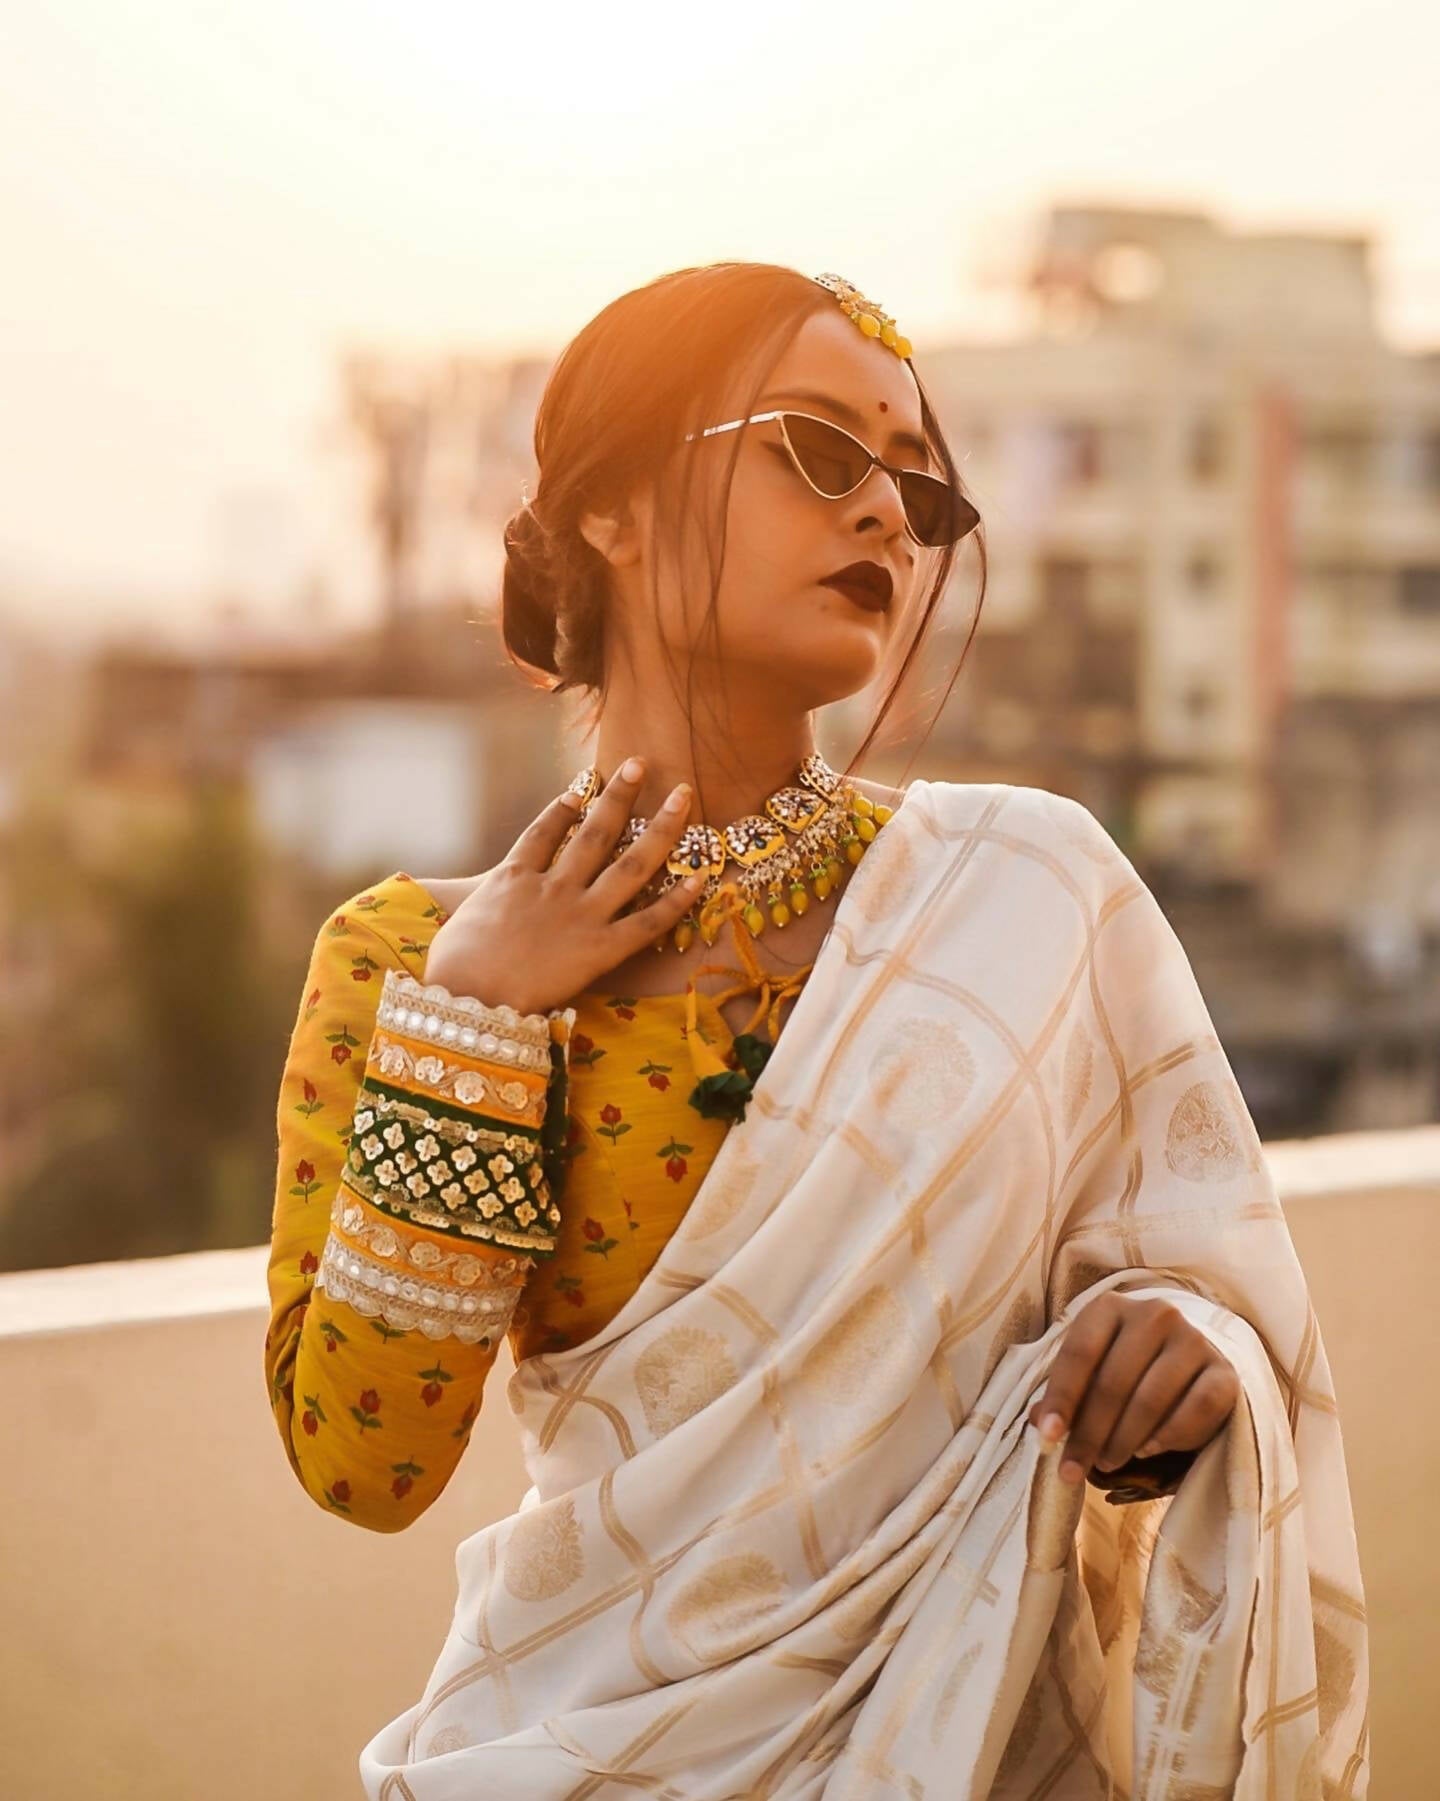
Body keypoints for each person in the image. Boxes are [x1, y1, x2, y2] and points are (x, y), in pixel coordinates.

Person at [263, 262, 1370, 1795]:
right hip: (574, 1746)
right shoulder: (411, 960)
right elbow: (361, 1462)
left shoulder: (1024, 897)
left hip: (980, 1738)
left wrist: (1192, 1361)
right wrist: (481, 1017)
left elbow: (1216, 1309)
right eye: (824, 450)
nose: (885, 518)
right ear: (615, 506)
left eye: (917, 488)